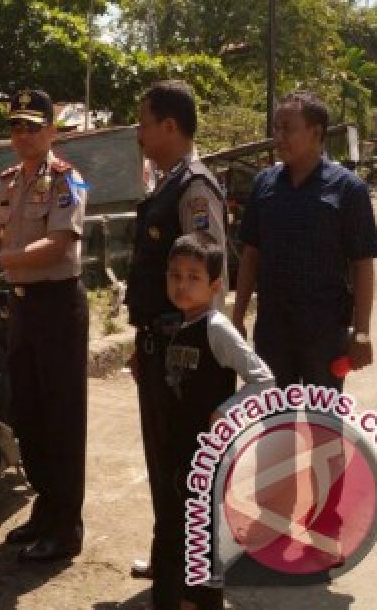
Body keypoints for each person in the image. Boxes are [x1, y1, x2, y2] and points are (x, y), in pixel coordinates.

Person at [0, 89, 89, 562]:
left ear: (52, 130)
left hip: (57, 307)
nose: (24, 134)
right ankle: (45, 510)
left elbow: (56, 246)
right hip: (22, 307)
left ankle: (66, 527)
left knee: (62, 419)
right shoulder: (8, 182)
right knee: (28, 413)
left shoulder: (68, 181)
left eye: (34, 125)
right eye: (16, 126)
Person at [125, 80, 228, 584]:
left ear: (169, 125)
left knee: (187, 464)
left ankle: (192, 571)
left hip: (184, 350)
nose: (139, 133)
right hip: (159, 342)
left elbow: (207, 277)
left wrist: (198, 349)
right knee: (164, 457)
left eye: (144, 123)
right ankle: (170, 558)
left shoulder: (194, 187)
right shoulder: (168, 181)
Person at [145, 234, 275, 610]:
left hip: (205, 451)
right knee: (173, 527)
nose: (182, 285)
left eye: (193, 277)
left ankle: (201, 601)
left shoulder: (216, 327)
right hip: (177, 447)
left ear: (215, 286)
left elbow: (264, 379)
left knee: (200, 534)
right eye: (175, 276)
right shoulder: (177, 323)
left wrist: (227, 410)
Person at [231, 91, 377, 389]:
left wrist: (361, 331)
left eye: (288, 128)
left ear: (315, 133)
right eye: (276, 128)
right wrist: (237, 316)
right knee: (273, 425)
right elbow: (251, 254)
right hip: (273, 333)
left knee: (322, 428)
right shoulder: (264, 185)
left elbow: (362, 262)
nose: (279, 136)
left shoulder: (348, 190)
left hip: (325, 335)